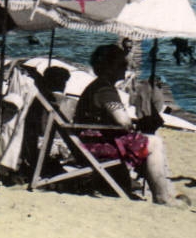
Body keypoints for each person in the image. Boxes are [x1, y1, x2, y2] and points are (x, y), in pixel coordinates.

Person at [74, 42, 180, 205]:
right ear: (110, 67)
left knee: (145, 142)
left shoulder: (98, 86)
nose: (125, 68)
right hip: (96, 147)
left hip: (88, 143)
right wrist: (135, 123)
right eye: (122, 64)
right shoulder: (105, 90)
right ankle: (162, 197)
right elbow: (122, 121)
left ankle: (164, 192)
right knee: (154, 143)